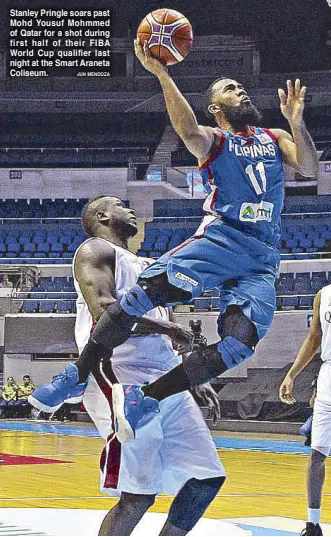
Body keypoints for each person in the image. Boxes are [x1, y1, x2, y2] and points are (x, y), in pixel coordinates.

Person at [30, 39, 318, 444]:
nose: (242, 91)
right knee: (135, 300)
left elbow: (308, 167)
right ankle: (76, 375)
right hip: (222, 239)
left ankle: (148, 398)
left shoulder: (273, 136)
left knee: (239, 345)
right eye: (230, 88)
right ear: (216, 108)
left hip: (262, 257)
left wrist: (297, 121)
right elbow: (186, 129)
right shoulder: (216, 141)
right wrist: (163, 73)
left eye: (240, 86)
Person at [51, 196, 226, 535]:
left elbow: (170, 337)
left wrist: (191, 376)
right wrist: (167, 327)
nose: (131, 207)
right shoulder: (95, 251)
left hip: (164, 376)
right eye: (120, 204)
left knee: (206, 478)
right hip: (118, 372)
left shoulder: (150, 265)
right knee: (138, 495)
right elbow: (105, 311)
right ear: (102, 215)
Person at [279, 289, 329, 537]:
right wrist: (292, 375)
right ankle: (313, 524)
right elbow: (313, 338)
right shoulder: (324, 295)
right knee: (317, 454)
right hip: (328, 378)